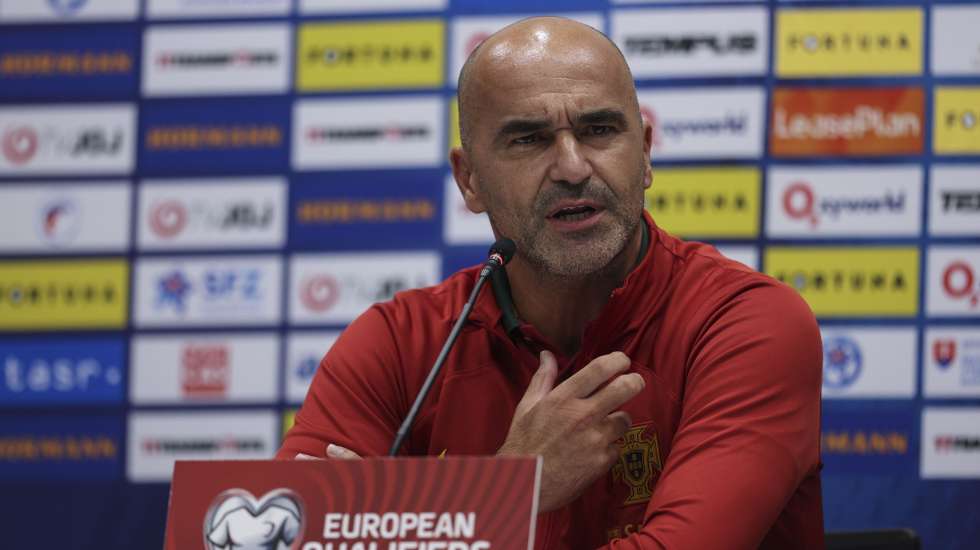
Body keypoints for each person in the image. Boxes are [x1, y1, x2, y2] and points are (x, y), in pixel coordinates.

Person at [278, 16, 824, 549]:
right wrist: (510, 487)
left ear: (647, 153)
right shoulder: (399, 344)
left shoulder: (744, 322)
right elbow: (277, 535)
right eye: (529, 139)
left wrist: (420, 525)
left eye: (600, 130)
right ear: (469, 180)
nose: (571, 166)